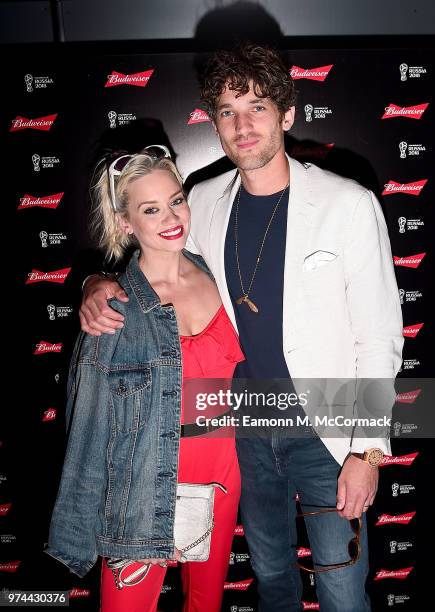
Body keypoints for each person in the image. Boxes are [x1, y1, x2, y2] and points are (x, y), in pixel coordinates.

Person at [79, 45, 404, 612]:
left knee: (341, 585)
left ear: (288, 113)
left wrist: (367, 452)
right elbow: (159, 268)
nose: (242, 125)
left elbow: (379, 337)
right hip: (245, 430)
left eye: (256, 106)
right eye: (228, 111)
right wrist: (96, 284)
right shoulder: (201, 201)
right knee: (272, 576)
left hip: (326, 431)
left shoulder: (347, 204)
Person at [44, 146, 244, 612]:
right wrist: (80, 527)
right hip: (140, 487)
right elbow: (88, 428)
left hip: (222, 477)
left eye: (176, 200)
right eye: (150, 209)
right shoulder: (114, 310)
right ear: (125, 222)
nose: (170, 217)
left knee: (205, 605)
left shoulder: (220, 276)